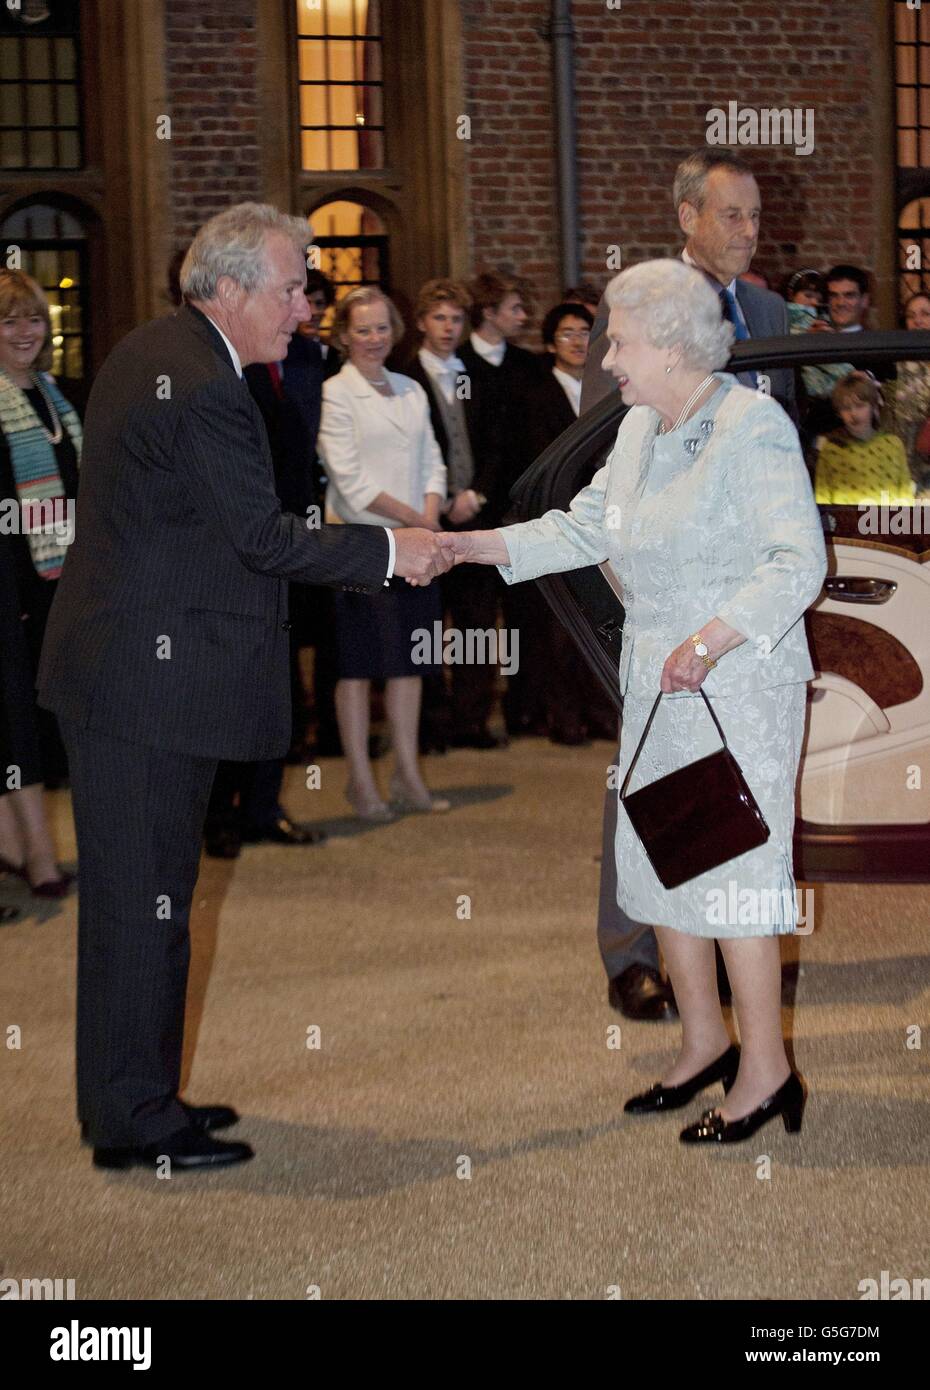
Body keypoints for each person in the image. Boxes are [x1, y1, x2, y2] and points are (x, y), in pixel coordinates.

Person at [37, 203, 450, 1172]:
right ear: (226, 288)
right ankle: (137, 1122)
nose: (306, 305)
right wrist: (396, 549)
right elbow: (262, 538)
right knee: (144, 910)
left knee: (146, 906)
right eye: (293, 286)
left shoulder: (165, 353)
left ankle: (135, 1098)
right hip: (142, 686)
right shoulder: (200, 383)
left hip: (131, 675)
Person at [446, 259, 826, 1145]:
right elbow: (584, 528)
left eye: (619, 339)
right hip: (657, 682)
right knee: (662, 861)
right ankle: (704, 1044)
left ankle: (767, 1070)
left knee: (730, 878)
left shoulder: (751, 425)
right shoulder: (640, 429)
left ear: (669, 341)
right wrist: (469, 549)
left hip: (735, 683)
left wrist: (709, 641)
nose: (607, 355)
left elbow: (796, 563)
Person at [583, 149, 795, 1021]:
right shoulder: (644, 305)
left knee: (739, 782)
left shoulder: (774, 310)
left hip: (743, 598)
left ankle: (736, 952)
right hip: (662, 581)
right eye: (731, 215)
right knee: (646, 778)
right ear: (686, 217)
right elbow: (614, 438)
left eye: (754, 216)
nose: (747, 231)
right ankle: (635, 949)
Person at [317, 285, 451, 820]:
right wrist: (419, 521)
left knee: (410, 662)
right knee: (356, 666)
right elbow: (349, 484)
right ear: (343, 335)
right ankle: (359, 779)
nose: (374, 338)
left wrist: (432, 513)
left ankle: (408, 776)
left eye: (381, 328)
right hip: (361, 545)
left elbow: (434, 461)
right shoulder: (334, 394)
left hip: (418, 542)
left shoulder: (412, 390)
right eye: (362, 329)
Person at [0, 269, 80, 897]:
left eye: (33, 320)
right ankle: (40, 858)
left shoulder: (57, 397)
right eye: (9, 321)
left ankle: (17, 846)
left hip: (60, 584)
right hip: (10, 591)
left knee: (44, 719)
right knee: (15, 723)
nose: (25, 332)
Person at [403, 278, 497, 752]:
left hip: (475, 513)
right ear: (421, 323)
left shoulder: (477, 373)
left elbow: (499, 443)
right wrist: (436, 502)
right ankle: (431, 726)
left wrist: (477, 494)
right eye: (438, 318)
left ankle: (471, 721)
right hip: (426, 515)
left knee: (477, 622)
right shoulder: (402, 378)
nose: (447, 327)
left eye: (455, 319)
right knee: (427, 626)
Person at [458, 270, 541, 745]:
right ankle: (469, 717)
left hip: (521, 513)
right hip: (474, 512)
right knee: (474, 621)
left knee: (525, 615)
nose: (523, 316)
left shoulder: (528, 367)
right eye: (514, 308)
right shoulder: (459, 365)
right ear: (488, 312)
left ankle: (524, 712)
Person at [815, 372, 915, 505]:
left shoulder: (892, 445)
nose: (853, 414)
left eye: (860, 406)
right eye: (846, 408)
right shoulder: (832, 450)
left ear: (873, 406)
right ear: (839, 413)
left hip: (886, 523)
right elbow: (823, 499)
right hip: (847, 524)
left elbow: (905, 495)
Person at [889, 293, 930, 494]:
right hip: (903, 458)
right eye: (911, 316)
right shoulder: (895, 360)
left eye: (925, 314)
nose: (918, 321)